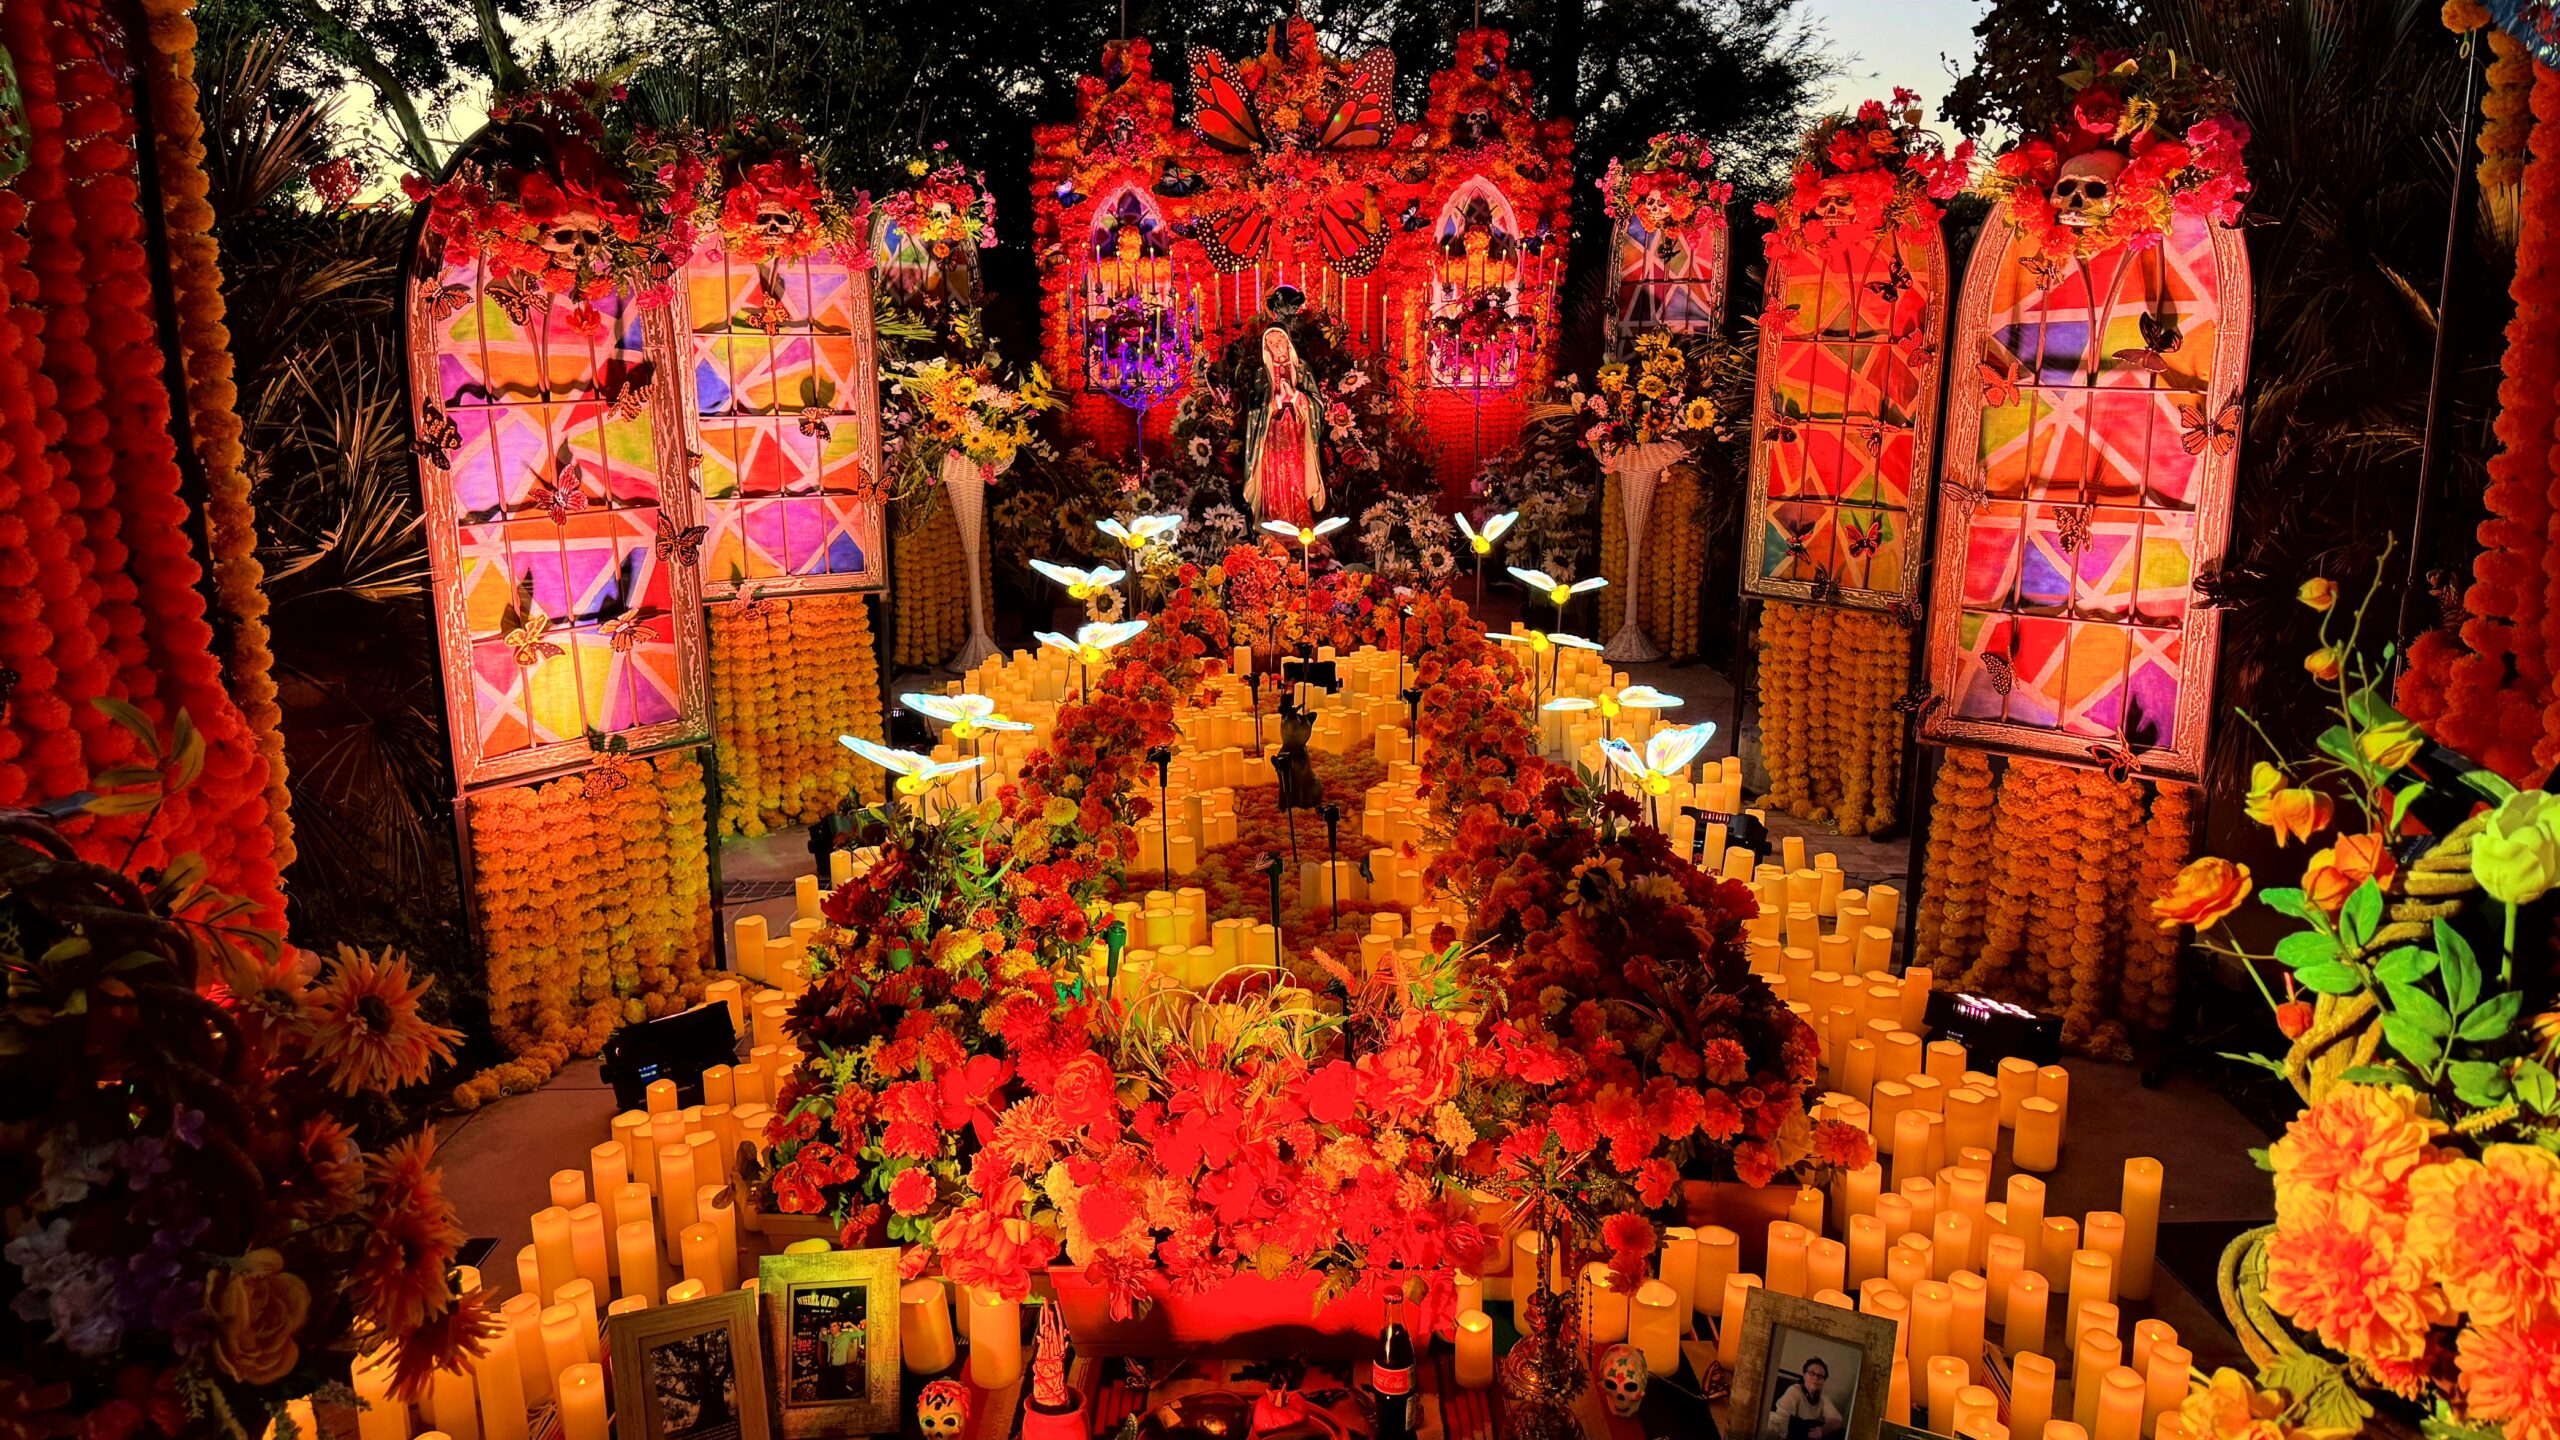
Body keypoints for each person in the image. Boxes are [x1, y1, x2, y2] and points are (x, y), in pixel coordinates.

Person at [1241, 327, 1324, 525]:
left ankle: (1299, 519)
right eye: (1271, 342)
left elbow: (1317, 403)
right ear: (1266, 347)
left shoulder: (1301, 368)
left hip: (1297, 432)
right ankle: (1274, 519)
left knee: (1296, 474)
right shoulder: (1262, 373)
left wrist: (1296, 397)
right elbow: (1253, 408)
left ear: (1288, 341)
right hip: (1271, 433)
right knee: (1273, 474)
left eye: (1279, 340)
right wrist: (1272, 402)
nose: (1276, 345)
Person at [1764, 1355, 1846, 1440]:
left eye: (1820, 1375)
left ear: (1823, 1381)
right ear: (1804, 1375)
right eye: (1812, 1373)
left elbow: (1837, 1420)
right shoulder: (1794, 1390)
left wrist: (1823, 1430)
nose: (1816, 1378)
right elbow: (1781, 1418)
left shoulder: (1823, 1396)